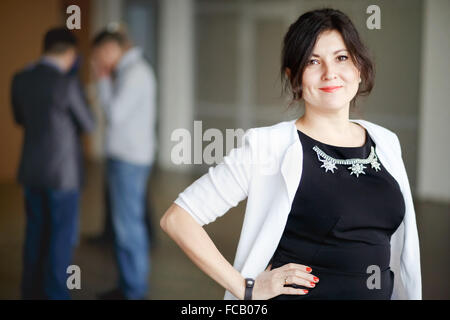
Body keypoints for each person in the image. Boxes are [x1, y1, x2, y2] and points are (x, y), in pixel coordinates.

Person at [160, 8, 422, 300]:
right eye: (313, 61)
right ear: (294, 76)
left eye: (341, 57)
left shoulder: (385, 141)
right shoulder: (268, 146)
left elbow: (400, 253)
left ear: (358, 68)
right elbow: (178, 219)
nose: (329, 73)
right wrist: (245, 288)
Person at [11, 27, 95, 299]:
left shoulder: (21, 78)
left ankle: (30, 291)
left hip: (31, 171)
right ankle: (56, 293)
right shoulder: (68, 83)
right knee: (60, 237)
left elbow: (20, 119)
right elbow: (89, 123)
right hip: (63, 175)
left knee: (35, 233)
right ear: (71, 53)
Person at [91, 26, 157, 300]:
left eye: (100, 55)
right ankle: (128, 286)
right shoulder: (133, 71)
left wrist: (103, 80)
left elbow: (115, 114)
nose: (100, 62)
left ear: (111, 49)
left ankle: (134, 291)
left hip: (129, 160)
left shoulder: (135, 73)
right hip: (127, 157)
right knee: (125, 226)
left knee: (129, 228)